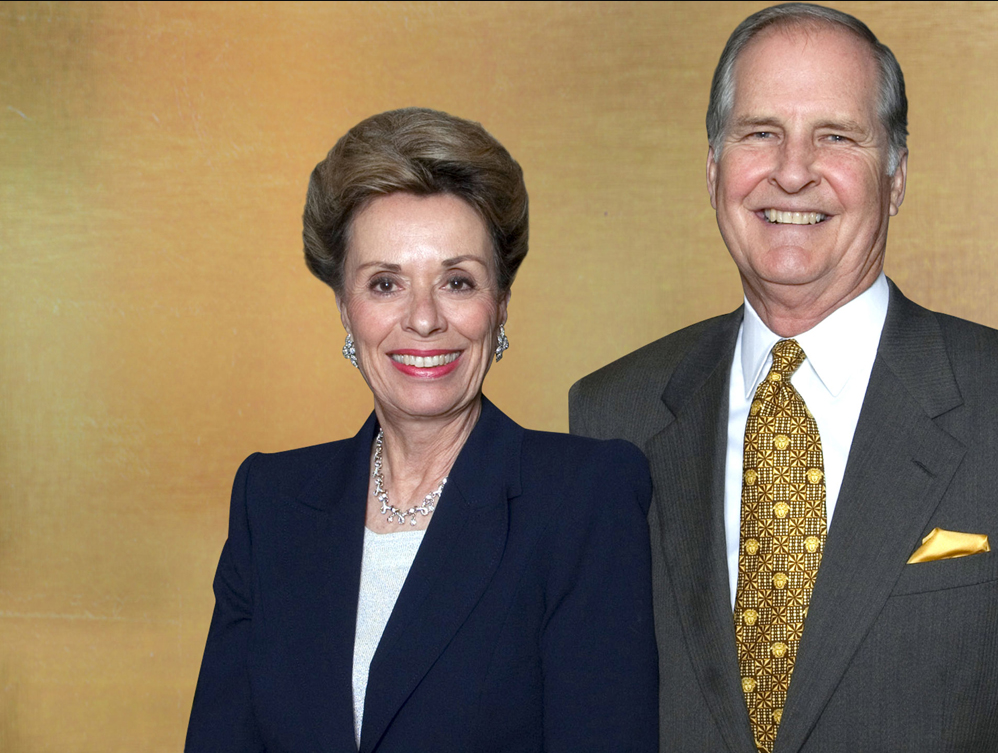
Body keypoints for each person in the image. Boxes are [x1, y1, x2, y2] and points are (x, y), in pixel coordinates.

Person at [570, 4, 997, 752]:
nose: (792, 171)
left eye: (835, 136)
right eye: (761, 133)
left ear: (895, 176)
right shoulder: (613, 415)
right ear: (713, 171)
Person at [186, 107, 658, 752]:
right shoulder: (270, 501)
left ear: (500, 303)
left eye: (457, 281)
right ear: (345, 310)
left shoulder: (584, 497)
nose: (425, 320)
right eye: (385, 284)